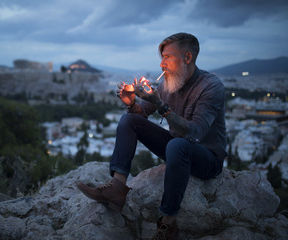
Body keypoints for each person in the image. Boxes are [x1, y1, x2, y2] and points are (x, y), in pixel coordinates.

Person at [76, 32, 227, 240]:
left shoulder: (211, 87)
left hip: (207, 158)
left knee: (177, 145)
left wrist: (161, 106)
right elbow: (142, 112)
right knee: (128, 120)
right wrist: (130, 102)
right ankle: (117, 188)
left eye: (168, 57)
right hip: (178, 149)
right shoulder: (167, 83)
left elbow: (196, 133)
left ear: (188, 58)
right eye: (162, 57)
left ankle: (168, 225)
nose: (162, 64)